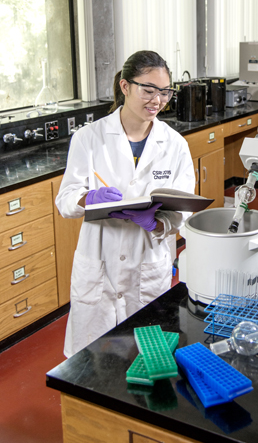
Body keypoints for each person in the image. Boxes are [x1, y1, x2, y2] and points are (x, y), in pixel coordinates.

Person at [56, 50, 195, 357]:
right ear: (124, 87)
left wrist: (158, 222)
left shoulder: (175, 145)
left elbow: (183, 209)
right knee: (94, 361)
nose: (156, 100)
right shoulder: (89, 138)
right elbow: (65, 201)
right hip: (99, 259)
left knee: (147, 355)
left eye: (164, 92)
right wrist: (87, 198)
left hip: (147, 260)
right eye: (148, 90)